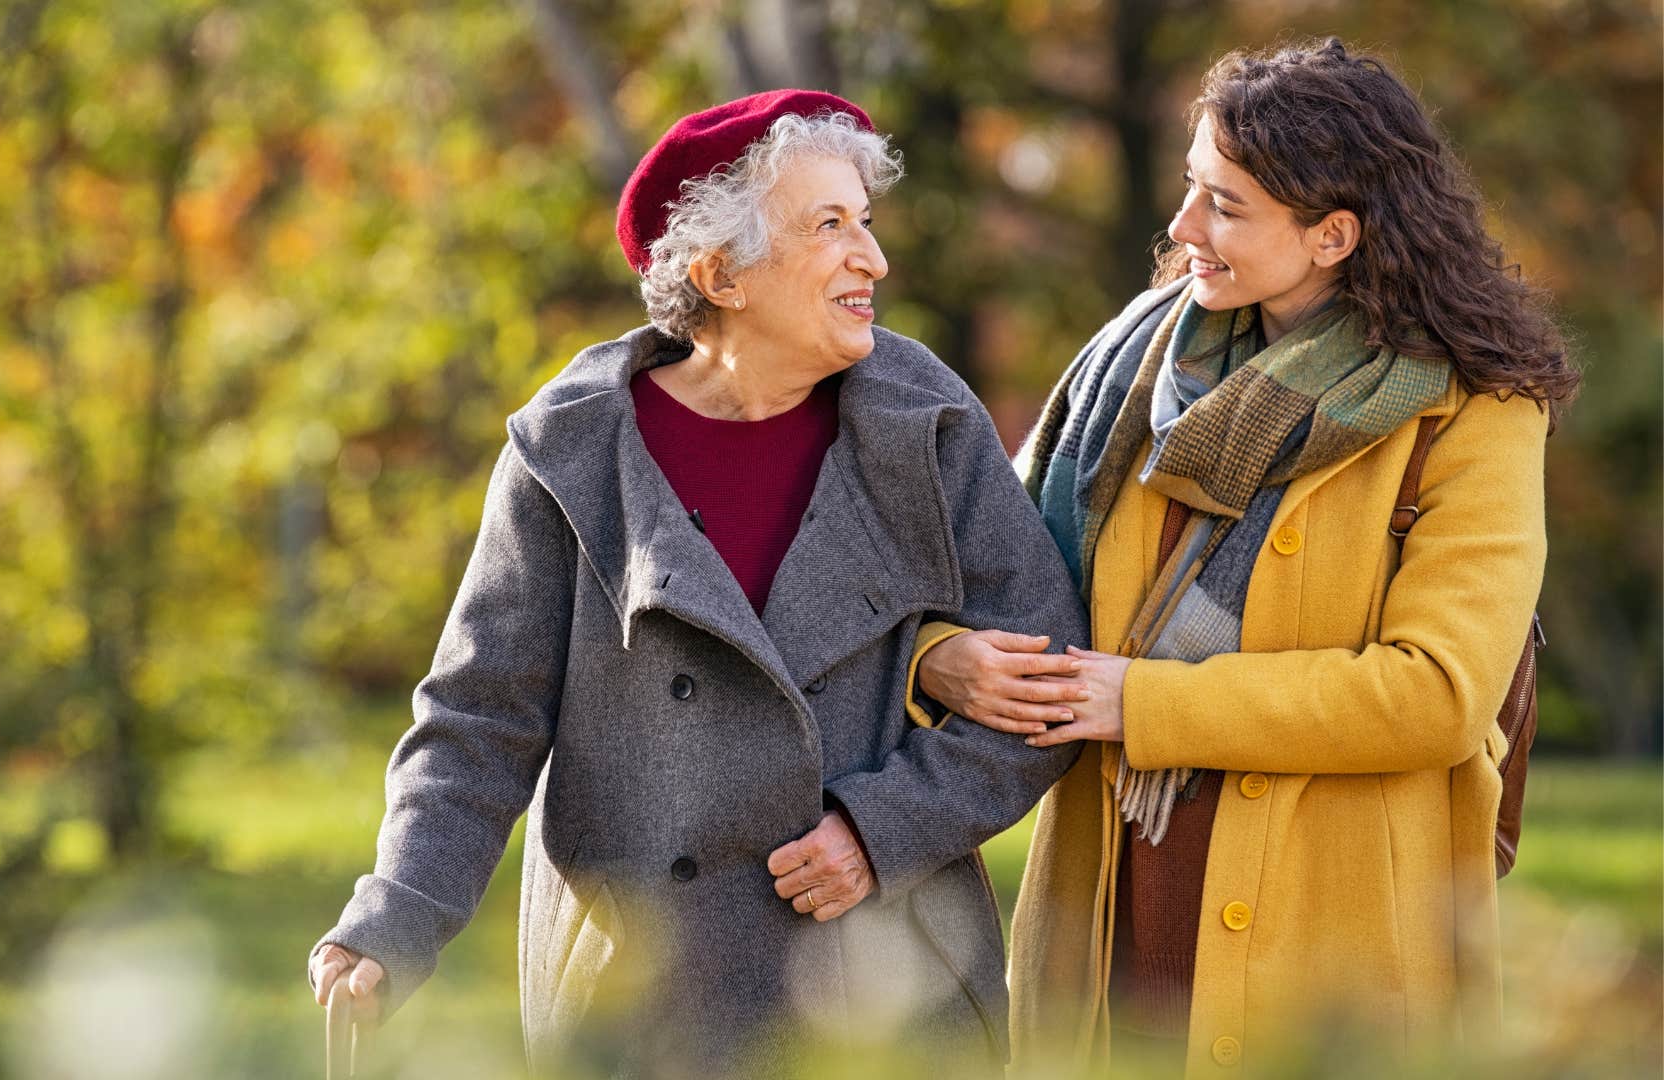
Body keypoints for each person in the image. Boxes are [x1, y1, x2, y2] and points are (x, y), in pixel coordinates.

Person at [306, 90, 1088, 1077]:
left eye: (867, 222)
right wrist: (392, 922)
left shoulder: (923, 419)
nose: (873, 260)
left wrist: (881, 828)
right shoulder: (573, 450)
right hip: (646, 997)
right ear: (721, 273)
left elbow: (1046, 675)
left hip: (886, 987)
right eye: (830, 226)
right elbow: (477, 723)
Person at [912, 38, 1577, 1076]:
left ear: (1332, 235)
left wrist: (1148, 705)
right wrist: (939, 657)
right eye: (1189, 190)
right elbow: (981, 578)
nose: (1182, 231)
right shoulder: (1130, 377)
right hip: (1109, 927)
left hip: (1334, 949)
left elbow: (1438, 693)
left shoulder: (1475, 414)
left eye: (1225, 206)